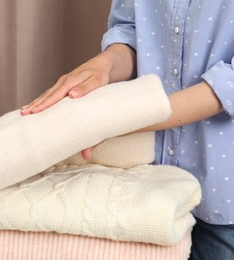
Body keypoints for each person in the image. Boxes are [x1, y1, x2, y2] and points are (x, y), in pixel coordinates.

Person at [20, 1, 234, 259]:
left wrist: (121, 119)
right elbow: (131, 31)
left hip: (223, 197)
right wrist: (104, 65)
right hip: (147, 185)